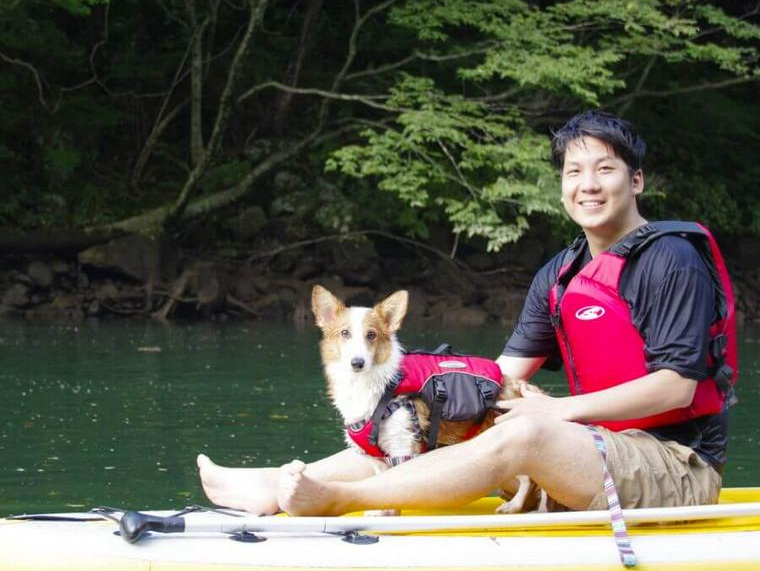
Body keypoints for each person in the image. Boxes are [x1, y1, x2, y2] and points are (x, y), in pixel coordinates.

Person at [197, 110, 735, 517]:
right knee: (419, 419)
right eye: (574, 171)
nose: (587, 184)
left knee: (526, 433)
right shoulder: (561, 274)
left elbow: (676, 389)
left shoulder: (671, 259)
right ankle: (277, 486)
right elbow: (495, 380)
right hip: (589, 449)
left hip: (675, 466)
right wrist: (418, 401)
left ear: (635, 180)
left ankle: (340, 499)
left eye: (605, 169)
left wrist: (555, 411)